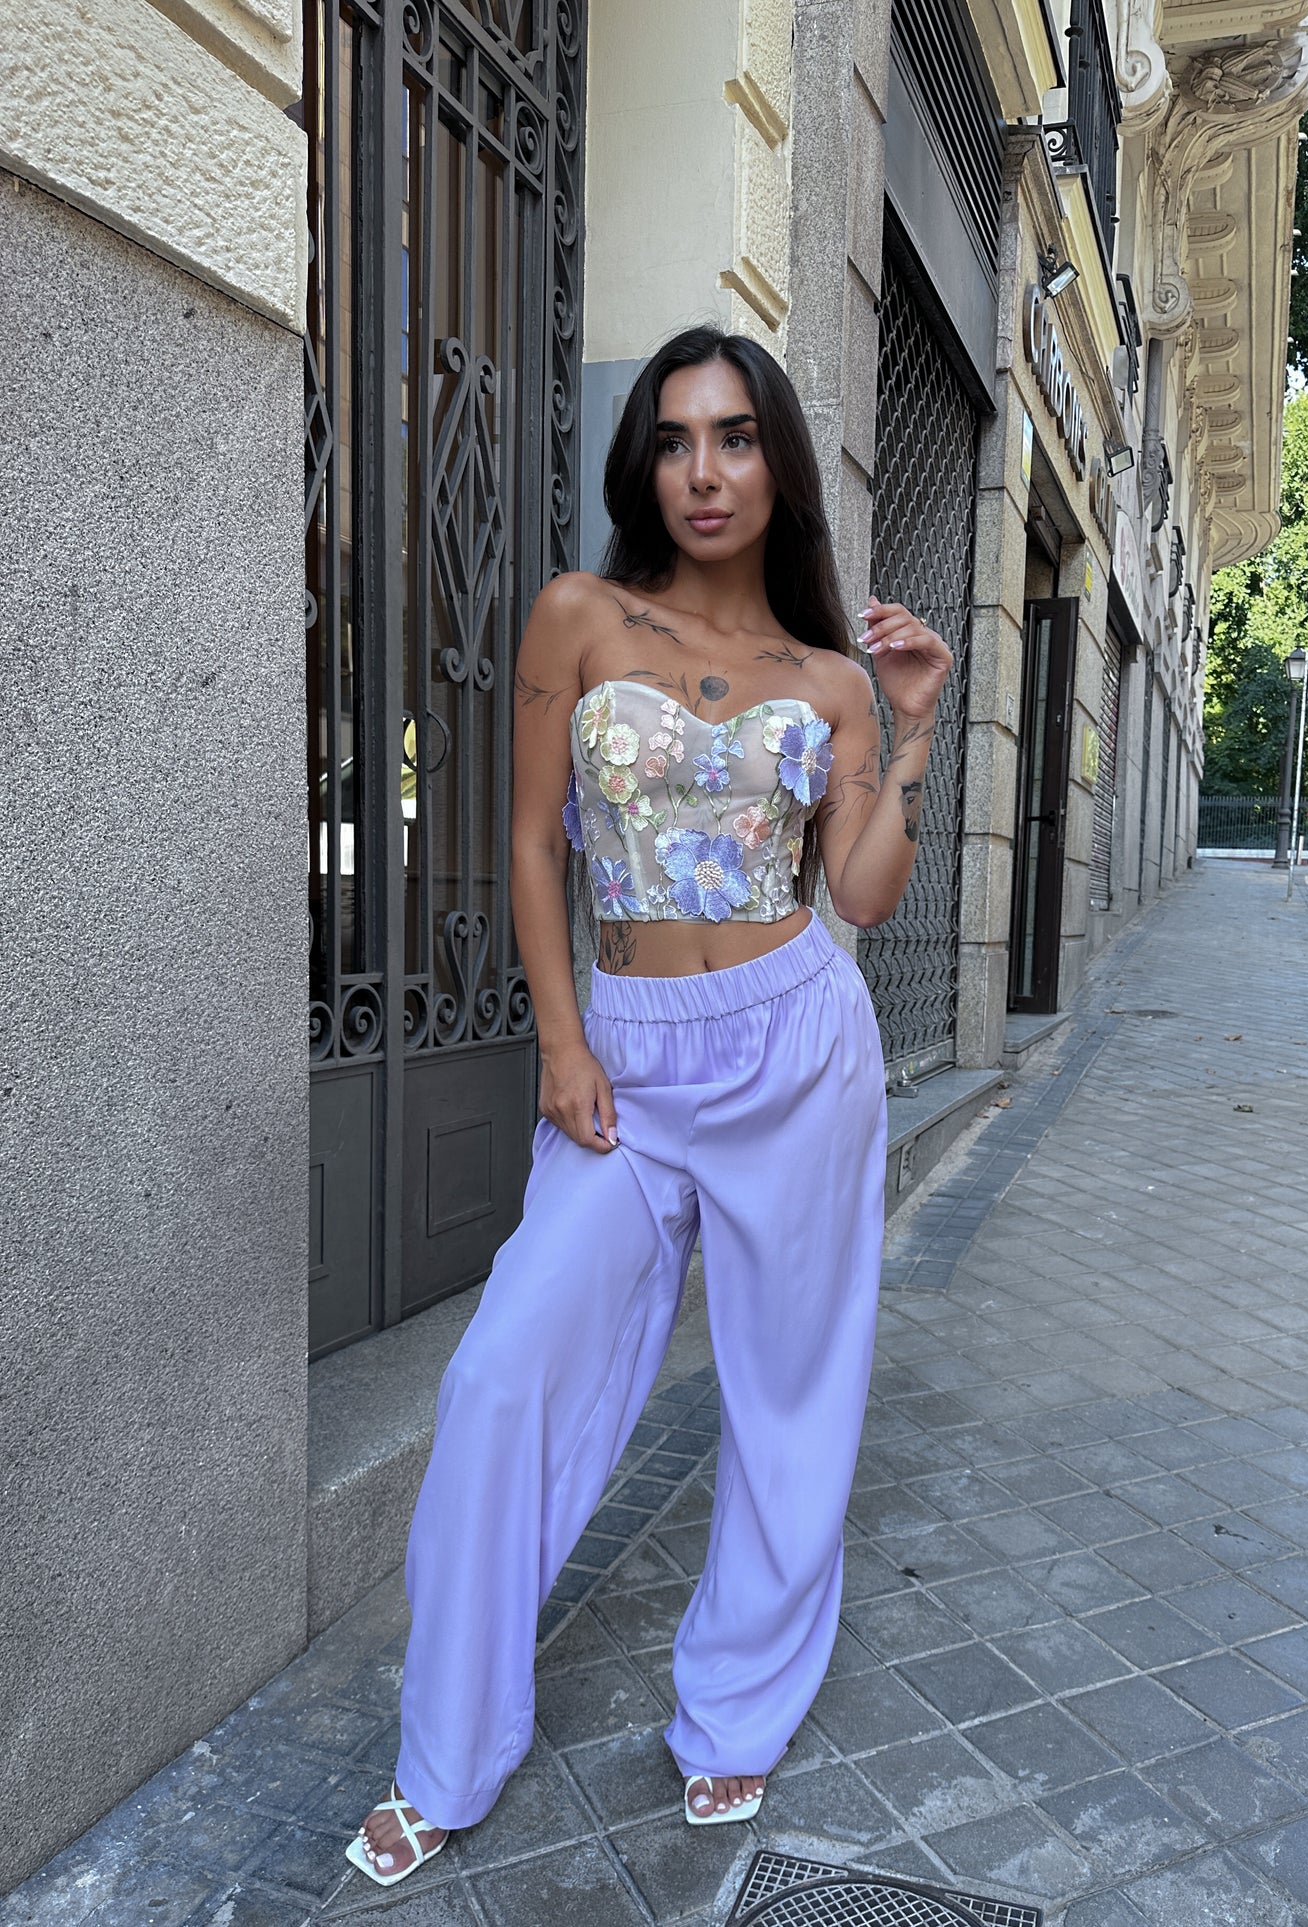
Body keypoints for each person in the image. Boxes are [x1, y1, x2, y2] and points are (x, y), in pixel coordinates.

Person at [348, 325, 952, 1886]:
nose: (704, 469)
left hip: (795, 1047)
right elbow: (534, 843)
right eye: (677, 439)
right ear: (644, 461)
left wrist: (908, 726)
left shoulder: (824, 680)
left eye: (737, 437)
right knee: (502, 1378)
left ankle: (734, 1711)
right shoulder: (580, 616)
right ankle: (450, 1745)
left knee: (789, 1392)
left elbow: (865, 899)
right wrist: (563, 1044)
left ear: (777, 467)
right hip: (627, 1052)